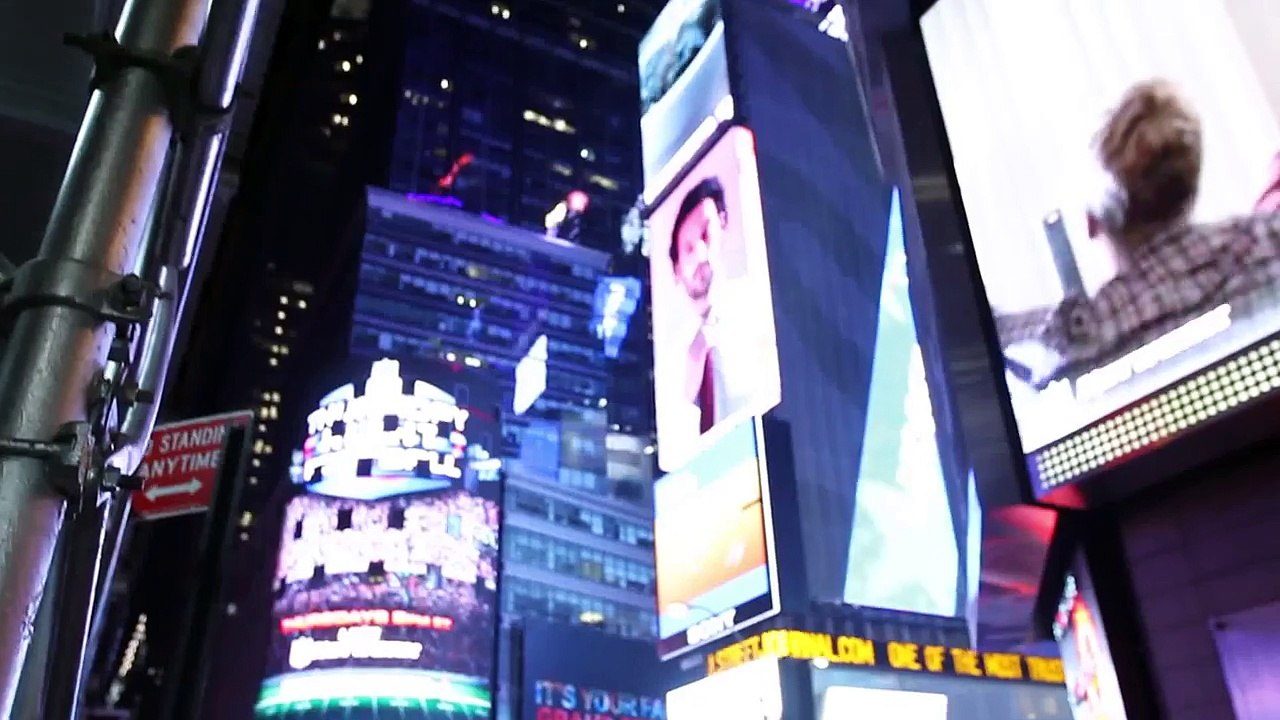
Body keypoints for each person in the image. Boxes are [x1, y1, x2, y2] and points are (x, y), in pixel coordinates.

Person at [995, 78, 1280, 389]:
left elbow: (989, 332)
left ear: (1097, 219)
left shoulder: (1088, 331)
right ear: (1190, 184)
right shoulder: (1268, 239)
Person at [665, 177, 777, 438]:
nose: (701, 255)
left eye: (706, 234)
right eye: (688, 248)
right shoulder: (671, 358)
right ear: (677, 268)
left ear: (723, 222)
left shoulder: (757, 303)